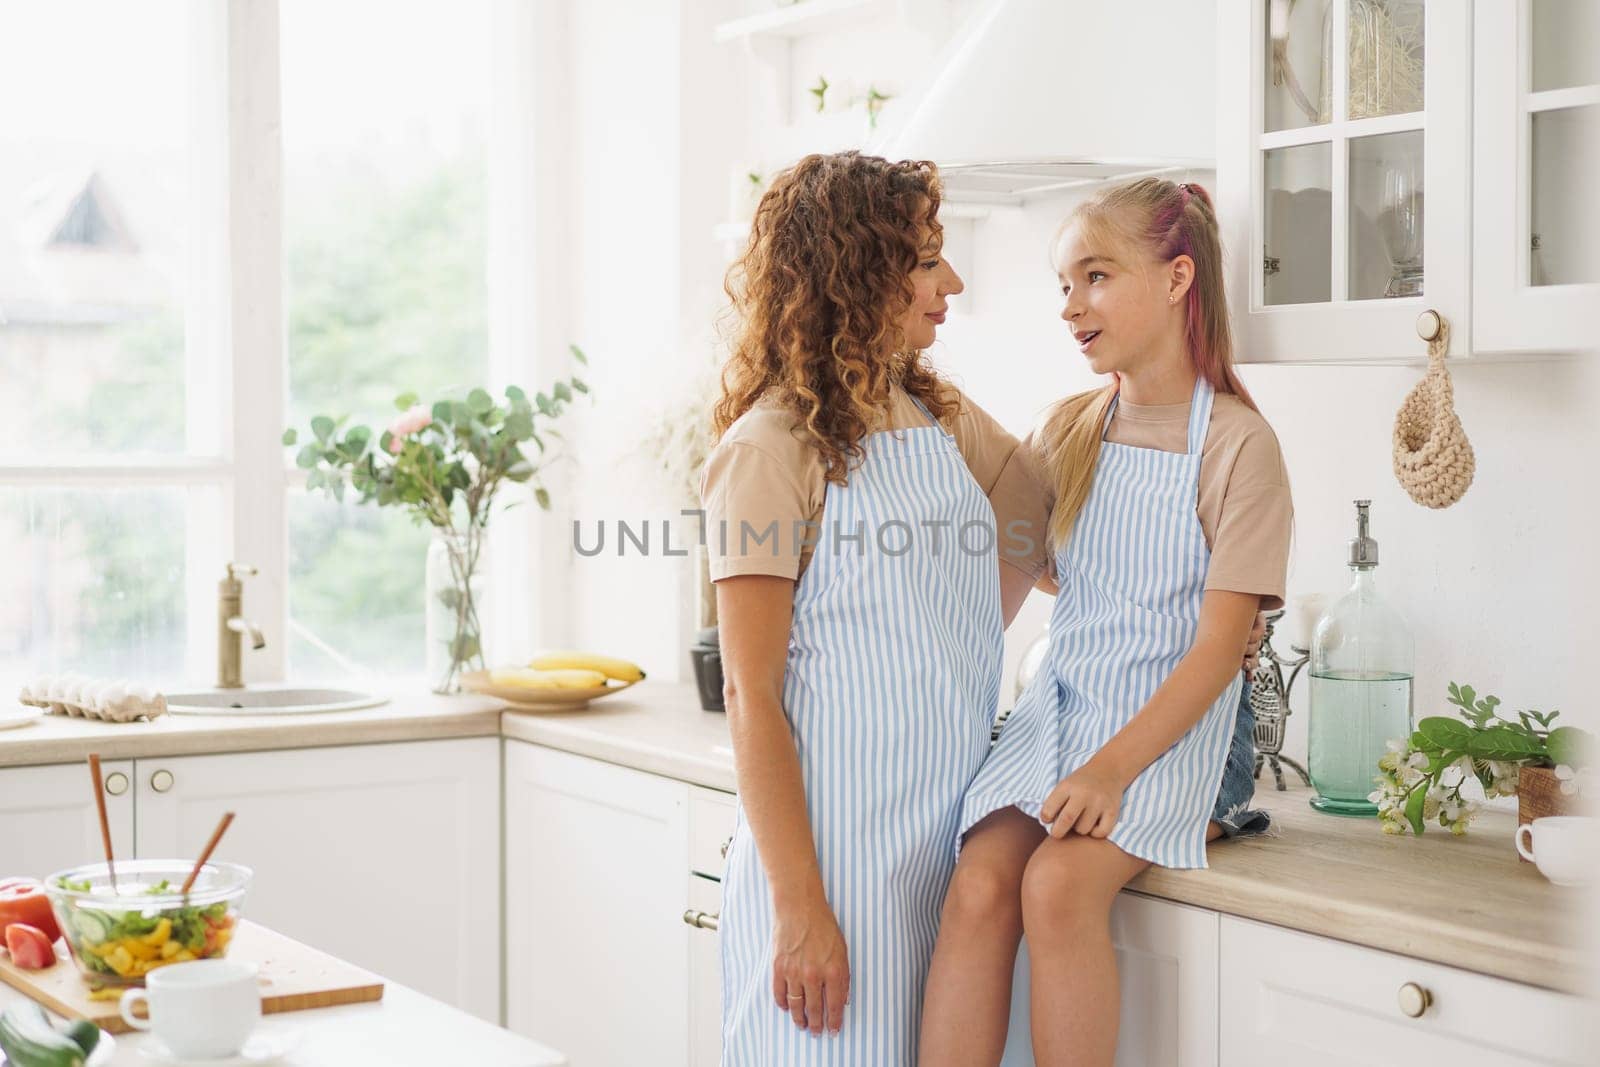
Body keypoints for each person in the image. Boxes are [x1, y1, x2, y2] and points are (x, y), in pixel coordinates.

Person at [919, 178, 1293, 1067]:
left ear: (1176, 279)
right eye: (1062, 285)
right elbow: (1043, 572)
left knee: (1055, 886)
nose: (1070, 306)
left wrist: (1109, 770)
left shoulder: (1239, 445)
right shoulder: (1071, 429)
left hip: (1179, 733)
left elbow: (1214, 651)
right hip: (1065, 707)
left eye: (1094, 276)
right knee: (977, 885)